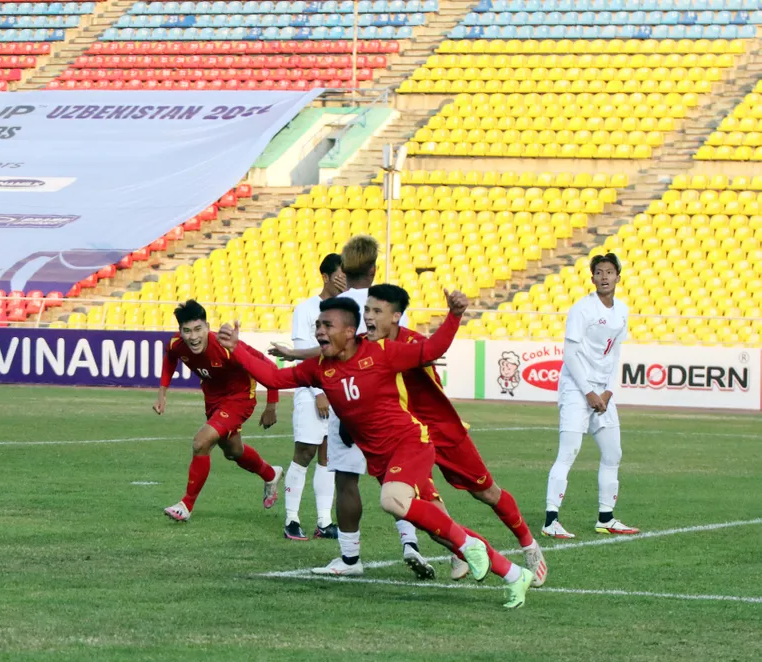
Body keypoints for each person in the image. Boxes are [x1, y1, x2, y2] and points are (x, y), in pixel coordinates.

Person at [220, 296, 535, 609]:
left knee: (391, 500)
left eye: (327, 325)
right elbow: (273, 378)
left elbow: (432, 350)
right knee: (436, 527)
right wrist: (238, 348)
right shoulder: (319, 368)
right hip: (383, 460)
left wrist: (454, 315)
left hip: (411, 444)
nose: (320, 332)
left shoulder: (382, 352)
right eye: (318, 325)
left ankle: (469, 546)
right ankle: (513, 575)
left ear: (349, 331)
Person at [271, 235, 433, 579]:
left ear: (345, 268)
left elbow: (327, 351)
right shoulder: (385, 302)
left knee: (346, 480)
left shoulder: (339, 306)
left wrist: (296, 358)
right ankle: (410, 542)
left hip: (346, 408)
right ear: (373, 268)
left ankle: (348, 557)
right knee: (396, 481)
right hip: (387, 407)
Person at [364, 284, 547, 587]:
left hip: (440, 429)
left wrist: (454, 315)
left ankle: (529, 545)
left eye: (376, 311)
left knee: (486, 492)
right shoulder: (363, 346)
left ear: (395, 317)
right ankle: (461, 549)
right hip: (404, 438)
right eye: (366, 310)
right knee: (422, 506)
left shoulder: (413, 343)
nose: (368, 317)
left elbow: (432, 349)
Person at [155, 300, 283, 522]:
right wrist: (162, 392)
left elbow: (268, 366)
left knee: (201, 442)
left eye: (198, 329)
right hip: (213, 399)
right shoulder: (177, 344)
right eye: (187, 331)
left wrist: (271, 404)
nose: (193, 337)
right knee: (233, 451)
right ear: (180, 331)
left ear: (207, 326)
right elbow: (170, 358)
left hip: (240, 397)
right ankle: (271, 474)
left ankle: (186, 505)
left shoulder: (225, 346)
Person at [543, 253, 638, 539]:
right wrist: (588, 392)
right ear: (592, 277)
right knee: (568, 452)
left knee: (613, 453)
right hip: (577, 388)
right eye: (599, 272)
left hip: (603, 393)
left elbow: (616, 353)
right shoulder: (581, 309)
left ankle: (606, 518)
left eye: (609, 272)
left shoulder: (622, 310)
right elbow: (570, 354)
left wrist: (608, 391)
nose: (605, 277)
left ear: (618, 277)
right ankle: (551, 521)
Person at [283, 253, 346, 540]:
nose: (344, 278)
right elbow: (300, 355)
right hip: (312, 393)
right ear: (325, 276)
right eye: (339, 274)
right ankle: (291, 520)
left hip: (339, 396)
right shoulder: (306, 309)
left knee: (328, 456)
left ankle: (324, 521)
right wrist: (320, 391)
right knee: (305, 453)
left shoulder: (347, 311)